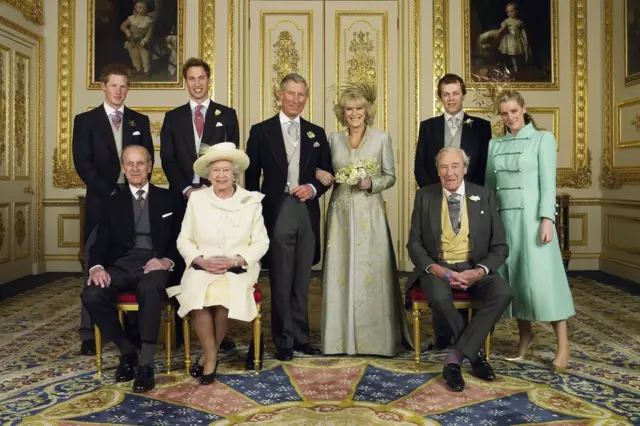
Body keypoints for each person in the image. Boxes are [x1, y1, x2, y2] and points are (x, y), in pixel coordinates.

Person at [314, 82, 411, 356]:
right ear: (342, 112)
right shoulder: (332, 139)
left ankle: (375, 340)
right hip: (340, 213)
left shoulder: (381, 138)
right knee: (340, 272)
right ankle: (339, 340)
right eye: (348, 109)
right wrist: (323, 174)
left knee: (373, 270)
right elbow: (321, 169)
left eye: (358, 108)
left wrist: (371, 182)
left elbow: (390, 176)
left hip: (370, 213)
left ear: (367, 110)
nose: (354, 113)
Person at [406, 146, 512, 392]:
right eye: (443, 167)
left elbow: (500, 246)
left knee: (503, 292)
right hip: (438, 269)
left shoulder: (483, 195)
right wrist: (437, 270)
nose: (449, 173)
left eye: (455, 166)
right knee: (439, 297)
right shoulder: (425, 196)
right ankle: (474, 357)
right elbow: (414, 243)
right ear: (437, 171)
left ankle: (454, 359)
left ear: (464, 169)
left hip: (474, 268)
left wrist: (478, 272)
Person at [245, 73, 332, 362]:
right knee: (281, 277)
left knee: (303, 278)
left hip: (305, 210)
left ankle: (302, 338)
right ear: (280, 95)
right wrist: (254, 214)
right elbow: (250, 178)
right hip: (277, 208)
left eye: (301, 95)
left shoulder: (316, 133)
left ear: (306, 98)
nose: (296, 100)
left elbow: (327, 173)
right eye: (291, 94)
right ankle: (283, 340)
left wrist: (313, 187)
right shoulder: (261, 131)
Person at [487, 90, 575, 373]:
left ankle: (563, 345)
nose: (510, 117)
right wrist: (488, 224)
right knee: (513, 282)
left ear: (524, 109)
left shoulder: (543, 139)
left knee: (544, 283)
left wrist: (547, 219)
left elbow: (548, 183)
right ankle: (525, 336)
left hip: (534, 223)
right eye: (504, 113)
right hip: (503, 222)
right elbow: (490, 187)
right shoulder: (494, 145)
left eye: (514, 110)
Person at [167, 142, 269, 385]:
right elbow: (184, 239)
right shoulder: (197, 200)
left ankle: (207, 358)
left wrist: (236, 260)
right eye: (216, 170)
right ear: (208, 174)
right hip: (203, 265)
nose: (221, 175)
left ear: (234, 173)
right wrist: (200, 260)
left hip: (237, 267)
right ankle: (211, 355)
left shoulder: (251, 201)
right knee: (199, 298)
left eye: (226, 170)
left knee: (223, 297)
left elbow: (261, 243)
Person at [81, 145, 179, 393]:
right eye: (130, 164)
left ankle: (145, 363)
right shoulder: (112, 201)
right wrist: (96, 267)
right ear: (123, 168)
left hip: (154, 263)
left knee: (149, 288)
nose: (135, 169)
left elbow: (182, 238)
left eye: (140, 163)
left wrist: (167, 261)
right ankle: (127, 350)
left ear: (150, 167)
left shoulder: (169, 198)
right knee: (91, 294)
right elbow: (99, 242)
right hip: (122, 264)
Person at [72, 63, 154, 357]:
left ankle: (132, 327)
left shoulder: (139, 121)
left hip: (133, 198)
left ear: (127, 88)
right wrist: (110, 193)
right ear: (103, 88)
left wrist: (135, 191)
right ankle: (88, 332)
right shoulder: (86, 121)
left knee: (131, 258)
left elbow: (147, 159)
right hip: (102, 201)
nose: (118, 91)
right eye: (113, 85)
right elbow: (83, 163)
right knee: (94, 262)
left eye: (123, 86)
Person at [160, 57, 240, 351]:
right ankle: (183, 330)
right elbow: (167, 159)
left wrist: (208, 191)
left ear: (209, 80)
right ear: (185, 82)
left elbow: (231, 159)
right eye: (191, 79)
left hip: (218, 201)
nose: (196, 84)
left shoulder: (227, 116)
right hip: (183, 200)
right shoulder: (173, 117)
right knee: (186, 261)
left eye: (201, 78)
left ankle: (220, 330)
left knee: (217, 259)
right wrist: (186, 189)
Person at [414, 73, 493, 350]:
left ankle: (466, 333)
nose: (451, 99)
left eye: (455, 93)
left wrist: (466, 195)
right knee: (440, 259)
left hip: (469, 199)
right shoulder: (428, 126)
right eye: (445, 94)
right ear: (440, 97)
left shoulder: (482, 127)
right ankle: (444, 337)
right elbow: (420, 166)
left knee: (467, 260)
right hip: (437, 201)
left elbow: (482, 168)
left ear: (463, 94)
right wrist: (439, 197)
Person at [120, 1, 154, 76]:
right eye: (139, 8)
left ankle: (146, 69)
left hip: (142, 40)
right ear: (136, 9)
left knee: (145, 55)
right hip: (132, 40)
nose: (141, 10)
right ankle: (137, 68)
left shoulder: (149, 20)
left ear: (147, 10)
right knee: (134, 54)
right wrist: (127, 31)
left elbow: (149, 32)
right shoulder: (131, 18)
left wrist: (145, 40)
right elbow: (122, 26)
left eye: (144, 9)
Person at [497, 2, 531, 73]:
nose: (509, 13)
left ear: (516, 11)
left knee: (516, 54)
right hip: (509, 40)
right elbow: (502, 28)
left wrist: (525, 41)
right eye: (507, 12)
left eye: (511, 11)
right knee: (509, 54)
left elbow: (523, 32)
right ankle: (510, 65)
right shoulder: (507, 21)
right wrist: (499, 32)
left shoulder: (519, 22)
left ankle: (517, 65)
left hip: (516, 40)